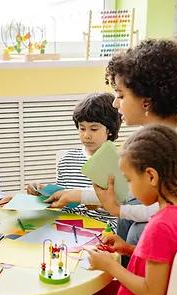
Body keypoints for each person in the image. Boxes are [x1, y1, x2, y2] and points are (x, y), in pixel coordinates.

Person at [9, 125, 177, 295]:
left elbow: (152, 291)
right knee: (88, 292)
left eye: (129, 180)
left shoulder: (161, 224)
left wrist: (111, 267)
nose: (128, 190)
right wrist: (126, 248)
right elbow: (166, 262)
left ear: (150, 176)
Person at [48, 40, 177, 246]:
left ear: (146, 101)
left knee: (138, 231)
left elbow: (169, 209)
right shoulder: (157, 132)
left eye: (120, 95)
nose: (115, 103)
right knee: (128, 218)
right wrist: (76, 195)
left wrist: (116, 209)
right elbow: (131, 190)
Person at [27, 92, 122, 230]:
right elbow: (62, 200)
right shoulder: (66, 161)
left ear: (110, 130)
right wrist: (42, 191)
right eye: (82, 128)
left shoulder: (121, 162)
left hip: (105, 228)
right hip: (67, 226)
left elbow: (123, 206)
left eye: (94, 129)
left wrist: (100, 203)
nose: (86, 135)